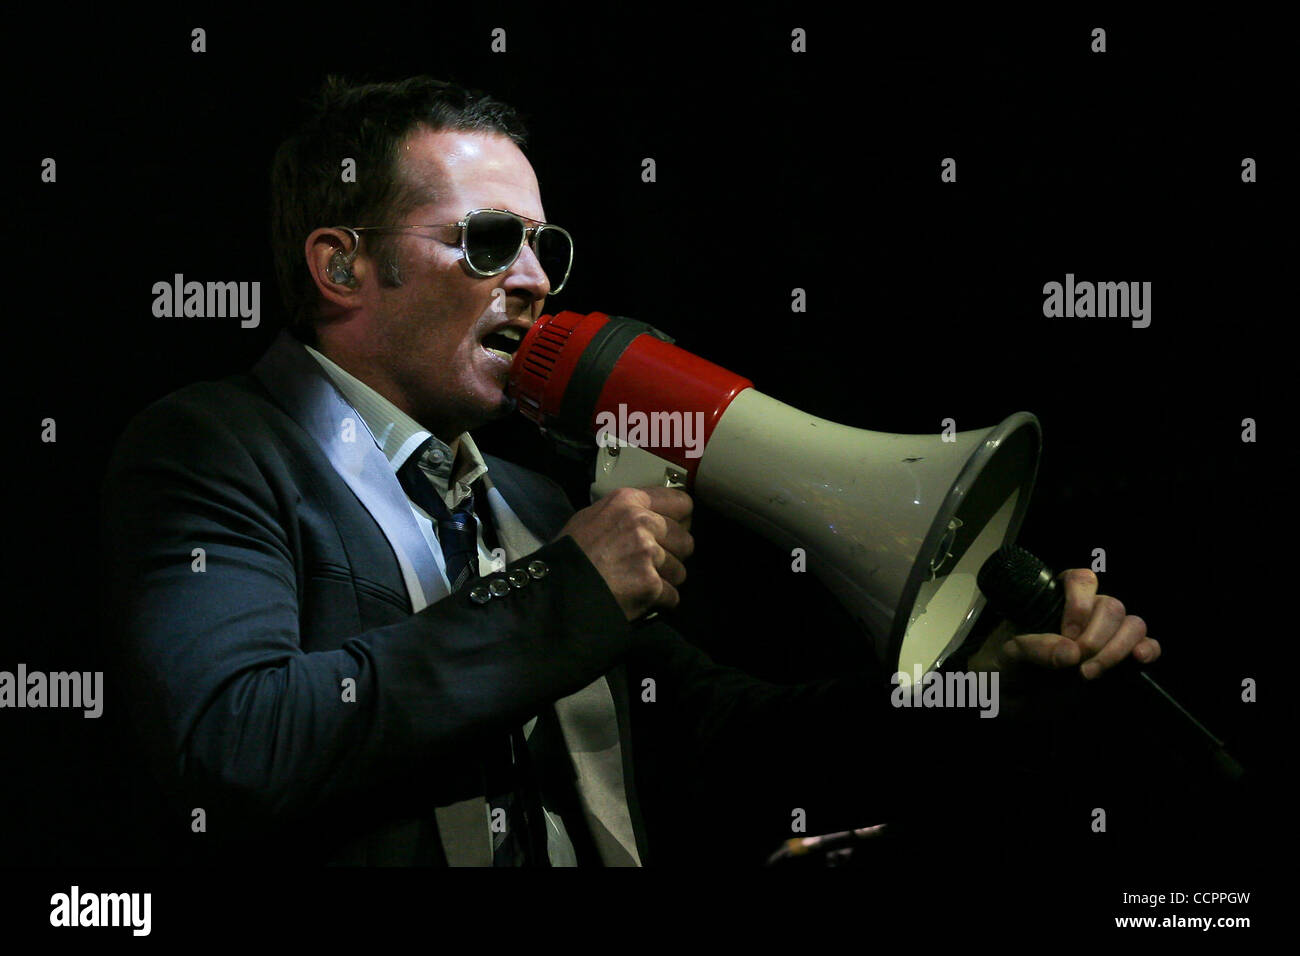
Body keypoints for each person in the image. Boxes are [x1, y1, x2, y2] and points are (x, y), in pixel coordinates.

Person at [99, 75, 1160, 866]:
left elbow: (729, 742)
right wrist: (559, 592)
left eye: (541, 248)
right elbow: (230, 743)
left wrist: (978, 698)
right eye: (486, 242)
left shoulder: (524, 499)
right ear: (340, 265)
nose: (531, 282)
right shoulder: (215, 448)